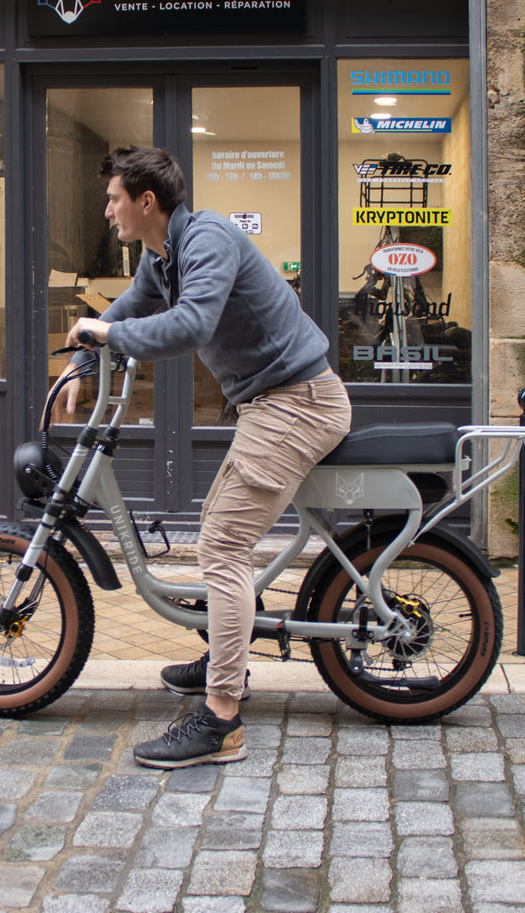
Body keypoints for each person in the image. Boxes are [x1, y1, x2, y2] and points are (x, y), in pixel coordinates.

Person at [58, 146, 352, 769]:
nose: (107, 210)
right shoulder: (160, 257)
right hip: (271, 403)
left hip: (297, 402)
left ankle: (222, 718)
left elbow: (190, 325)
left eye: (114, 199)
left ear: (146, 202)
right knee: (223, 536)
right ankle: (229, 649)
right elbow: (129, 309)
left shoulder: (208, 238)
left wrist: (104, 334)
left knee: (221, 545)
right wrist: (86, 356)